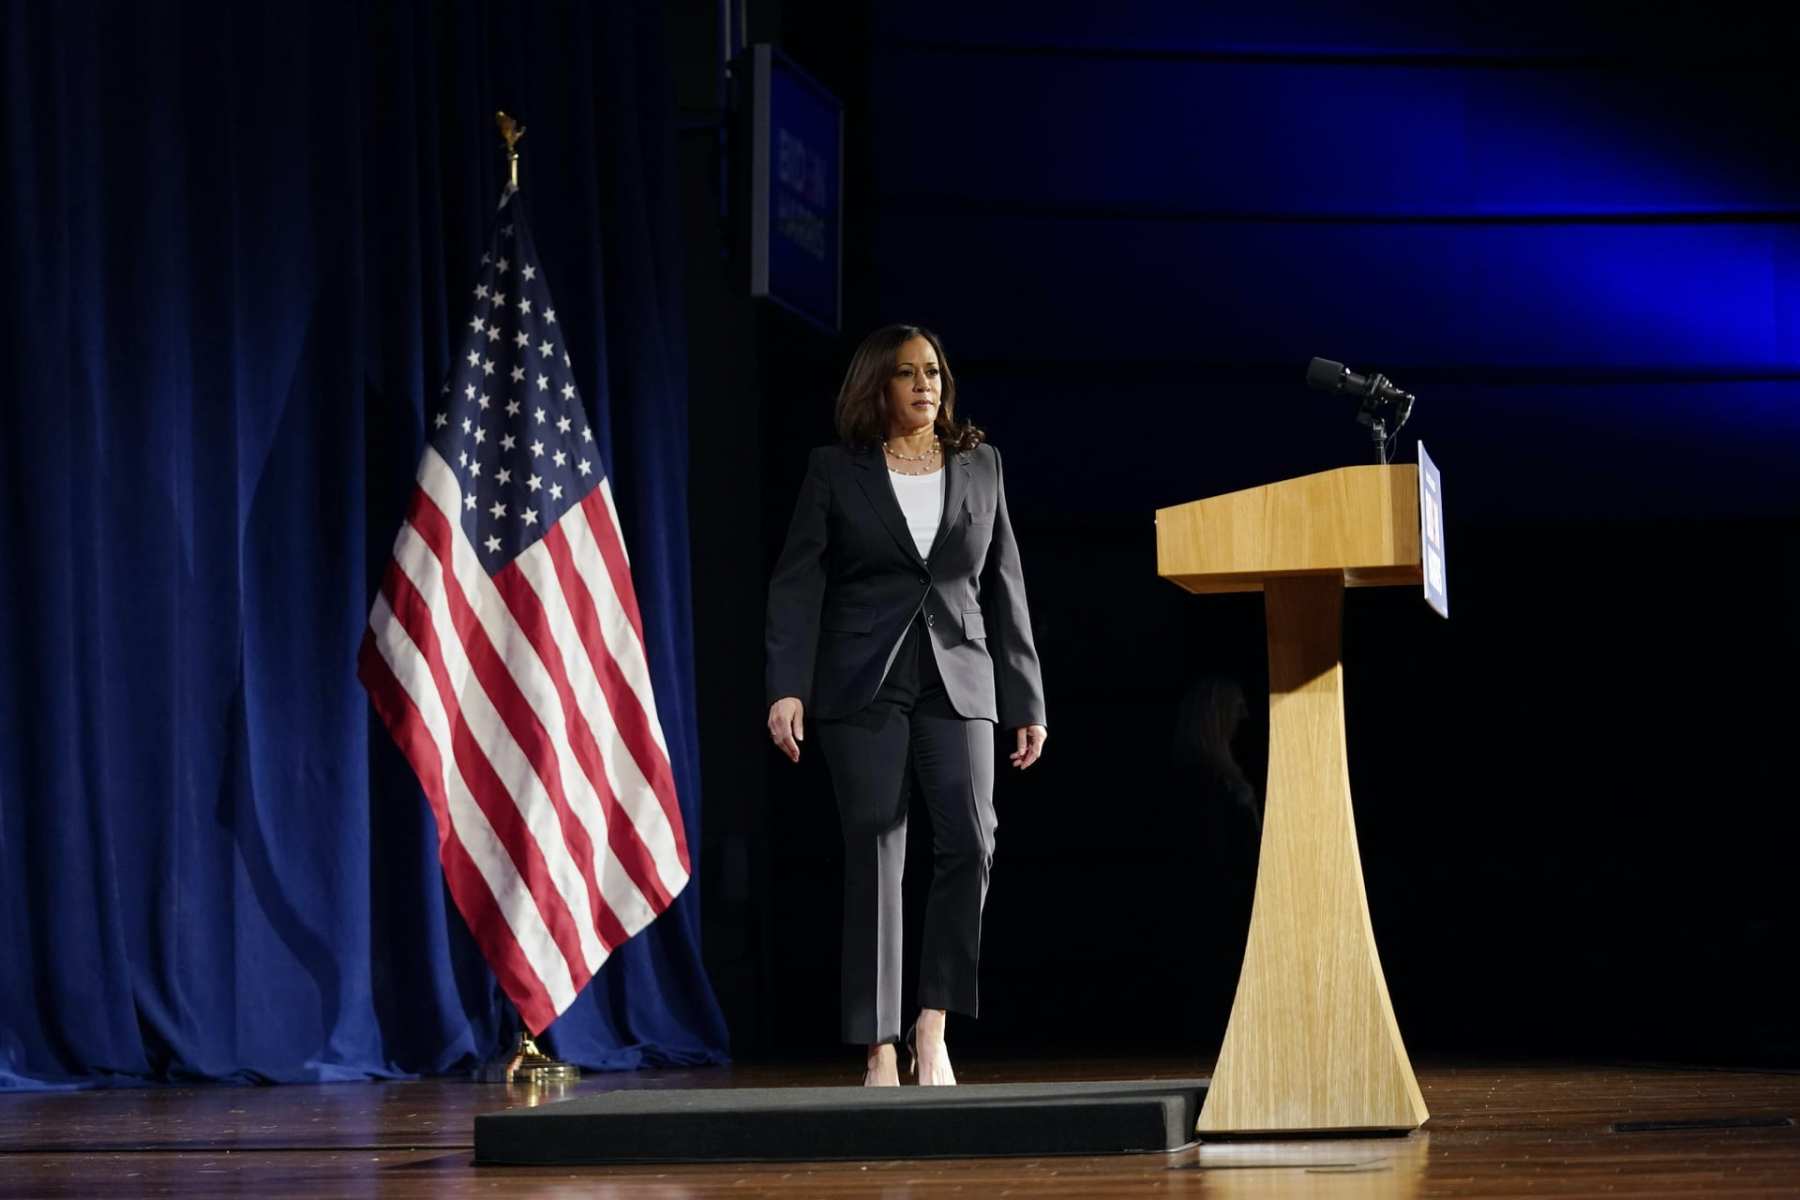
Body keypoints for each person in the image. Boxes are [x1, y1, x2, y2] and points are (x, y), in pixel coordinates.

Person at [765, 324, 1048, 1087]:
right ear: (876, 387)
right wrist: (787, 685)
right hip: (862, 680)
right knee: (877, 849)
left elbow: (1006, 584)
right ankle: (879, 1047)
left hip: (960, 677)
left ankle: (932, 1024)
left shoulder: (979, 465)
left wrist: (1027, 697)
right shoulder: (834, 470)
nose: (925, 384)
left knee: (973, 840)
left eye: (933, 371)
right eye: (906, 373)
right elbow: (798, 581)